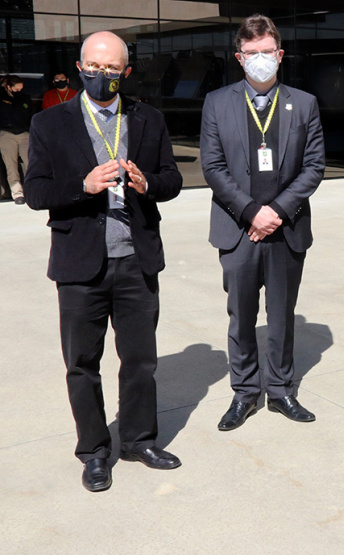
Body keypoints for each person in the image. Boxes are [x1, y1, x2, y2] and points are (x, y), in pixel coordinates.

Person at [23, 31, 183, 492]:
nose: (102, 75)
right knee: (82, 364)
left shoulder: (148, 119)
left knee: (140, 361)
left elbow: (172, 179)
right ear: (80, 68)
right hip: (80, 264)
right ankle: (94, 451)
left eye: (112, 68)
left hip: (136, 260)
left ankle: (138, 440)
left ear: (126, 72)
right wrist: (84, 185)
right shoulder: (49, 123)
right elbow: (35, 192)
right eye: (94, 66)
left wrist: (147, 184)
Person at [201, 14, 325, 431]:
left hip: (286, 229)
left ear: (280, 54)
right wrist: (252, 211)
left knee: (282, 316)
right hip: (238, 229)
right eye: (251, 52)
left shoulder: (303, 103)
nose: (260, 59)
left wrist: (276, 212)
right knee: (241, 316)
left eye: (267, 51)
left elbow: (314, 167)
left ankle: (281, 389)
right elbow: (213, 167)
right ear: (239, 57)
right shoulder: (217, 103)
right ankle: (244, 392)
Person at [0, 74, 33, 204]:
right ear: (9, 87)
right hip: (7, 134)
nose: (19, 91)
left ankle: (32, 190)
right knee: (11, 165)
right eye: (16, 89)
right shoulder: (1, 98)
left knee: (30, 163)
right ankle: (17, 193)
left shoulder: (25, 98)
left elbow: (31, 115)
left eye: (21, 89)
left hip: (24, 134)